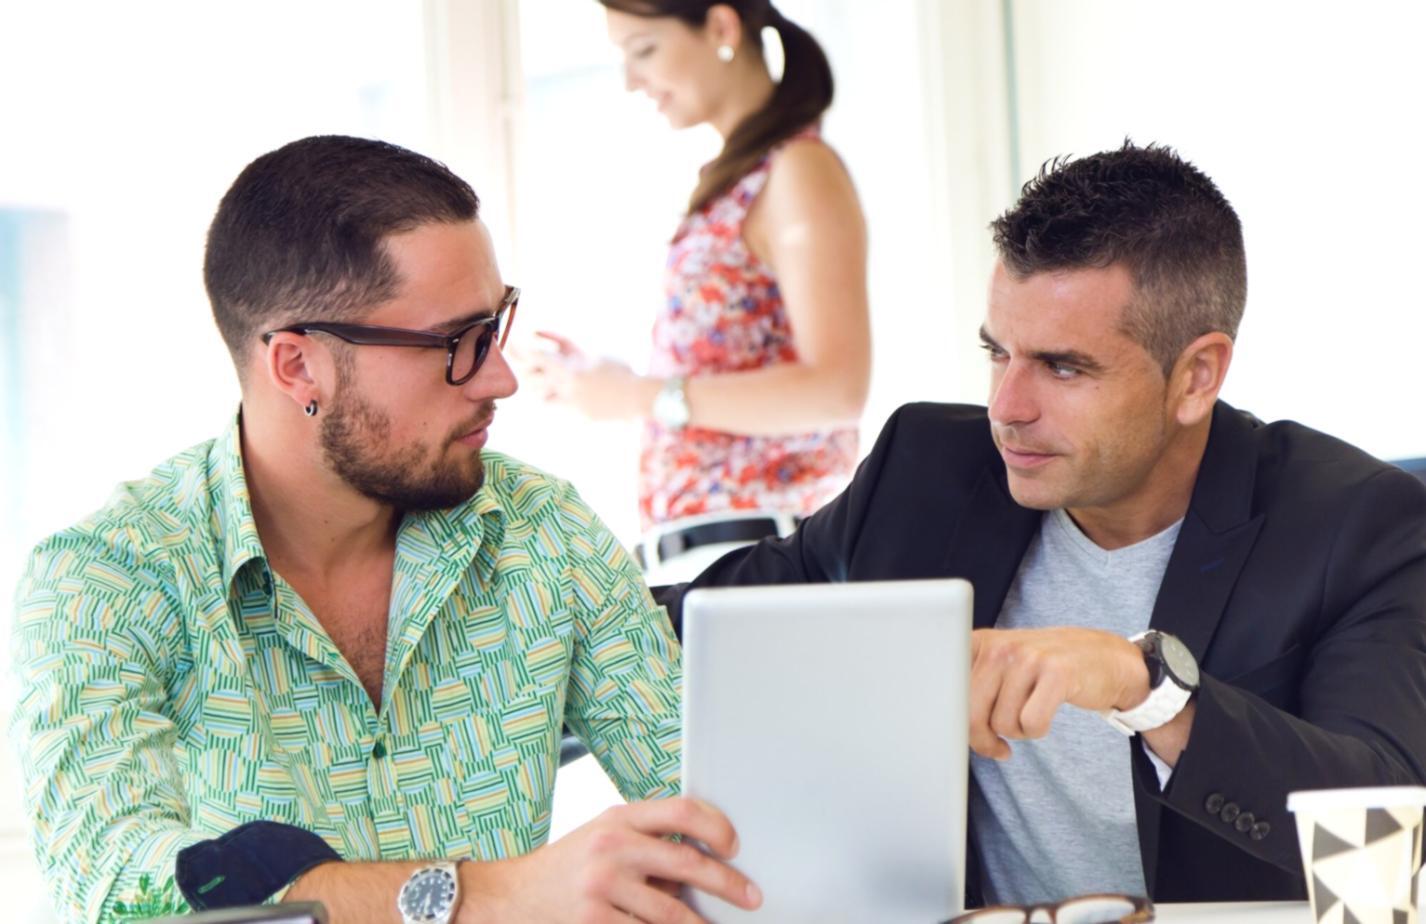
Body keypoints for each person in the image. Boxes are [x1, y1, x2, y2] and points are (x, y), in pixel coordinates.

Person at [10, 135, 761, 924]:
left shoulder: (543, 532)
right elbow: (120, 889)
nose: (500, 377)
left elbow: (729, 823)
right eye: (455, 345)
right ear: (299, 367)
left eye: (496, 326)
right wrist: (489, 897)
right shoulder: (105, 579)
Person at [659, 141, 1426, 905]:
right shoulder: (923, 470)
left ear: (1196, 376)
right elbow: (707, 625)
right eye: (999, 354)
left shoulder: (1357, 526)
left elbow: (1388, 833)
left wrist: (1146, 686)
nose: (1007, 408)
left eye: (1063, 367)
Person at [524, 0, 870, 558]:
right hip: (721, 553)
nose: (632, 81)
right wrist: (609, 386)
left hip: (759, 553)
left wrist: (637, 395)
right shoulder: (740, 176)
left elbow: (836, 391)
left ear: (721, 26)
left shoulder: (799, 170)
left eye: (645, 51)